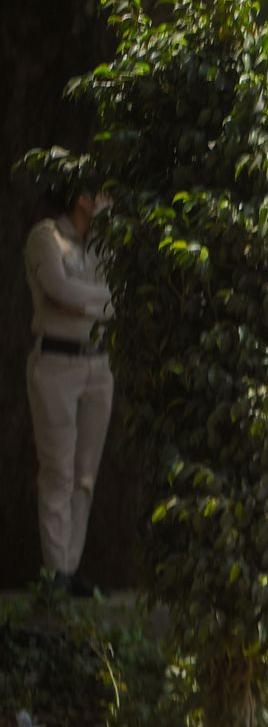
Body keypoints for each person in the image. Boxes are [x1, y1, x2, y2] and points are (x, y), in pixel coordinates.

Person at [23, 180, 115, 597]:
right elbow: (59, 291)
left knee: (84, 475)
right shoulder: (46, 237)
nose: (108, 200)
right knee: (57, 470)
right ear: (81, 197)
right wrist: (98, 301)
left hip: (98, 364)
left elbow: (119, 299)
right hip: (56, 364)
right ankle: (56, 570)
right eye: (101, 193)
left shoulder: (101, 246)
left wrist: (86, 302)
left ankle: (70, 568)